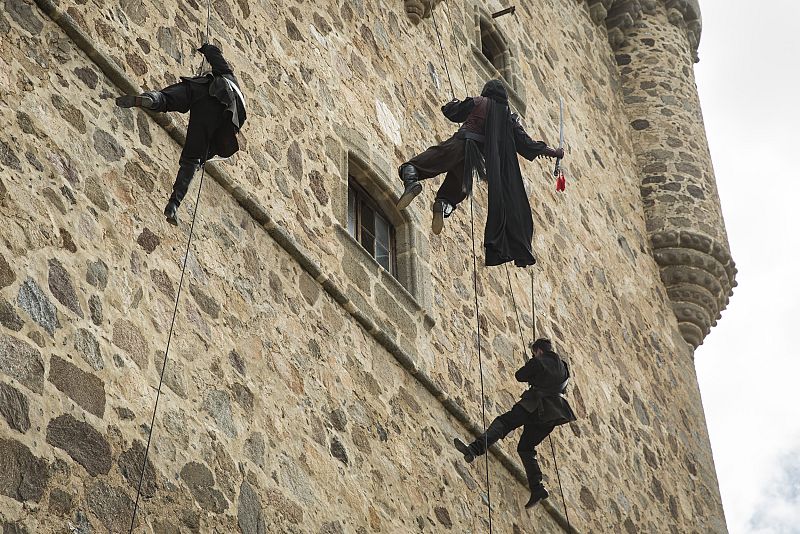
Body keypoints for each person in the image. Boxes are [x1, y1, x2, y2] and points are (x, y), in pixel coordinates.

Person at [396, 80, 562, 266]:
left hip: (459, 144)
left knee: (419, 164)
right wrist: (552, 152)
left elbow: (451, 112)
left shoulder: (478, 101)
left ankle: (411, 182)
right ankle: (442, 206)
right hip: (473, 159)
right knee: (457, 188)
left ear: (487, 91)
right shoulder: (509, 118)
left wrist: (452, 104)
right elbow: (526, 143)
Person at [115, 43, 247, 225]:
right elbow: (198, 159)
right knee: (191, 160)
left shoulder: (229, 76)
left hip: (203, 86)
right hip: (218, 112)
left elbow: (217, 57)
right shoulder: (232, 123)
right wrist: (199, 161)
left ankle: (152, 99)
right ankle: (173, 204)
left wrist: (207, 48)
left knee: (166, 99)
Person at [453, 338, 576, 508]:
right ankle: (537, 488)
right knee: (526, 448)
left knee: (503, 423)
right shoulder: (563, 368)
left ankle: (474, 449)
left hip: (533, 406)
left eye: (534, 352)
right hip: (554, 414)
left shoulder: (538, 361)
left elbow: (520, 376)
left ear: (538, 350)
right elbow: (560, 387)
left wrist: (532, 364)